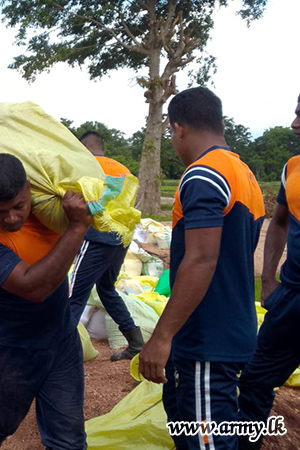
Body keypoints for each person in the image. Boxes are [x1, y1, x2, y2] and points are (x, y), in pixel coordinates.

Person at [138, 87, 265, 450]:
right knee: (188, 425)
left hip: (208, 337)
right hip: (230, 326)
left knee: (208, 441)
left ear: (178, 129)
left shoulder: (203, 175)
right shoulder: (243, 174)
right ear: (220, 124)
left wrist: (161, 337)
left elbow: (202, 259)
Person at [0, 153, 92, 450]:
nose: (11, 218)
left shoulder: (47, 207)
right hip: (12, 350)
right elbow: (34, 287)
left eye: (19, 206)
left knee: (69, 439)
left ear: (29, 188)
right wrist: (76, 229)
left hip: (61, 340)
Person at [237, 95, 300, 450]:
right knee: (255, 380)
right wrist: (269, 279)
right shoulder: (292, 168)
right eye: (295, 114)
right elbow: (279, 222)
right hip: (291, 297)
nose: (294, 124)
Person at [68, 131, 143, 361]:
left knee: (75, 295)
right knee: (106, 289)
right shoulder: (123, 170)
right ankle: (136, 342)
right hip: (120, 238)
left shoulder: (88, 168)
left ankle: (60, 354)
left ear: (85, 148)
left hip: (96, 238)